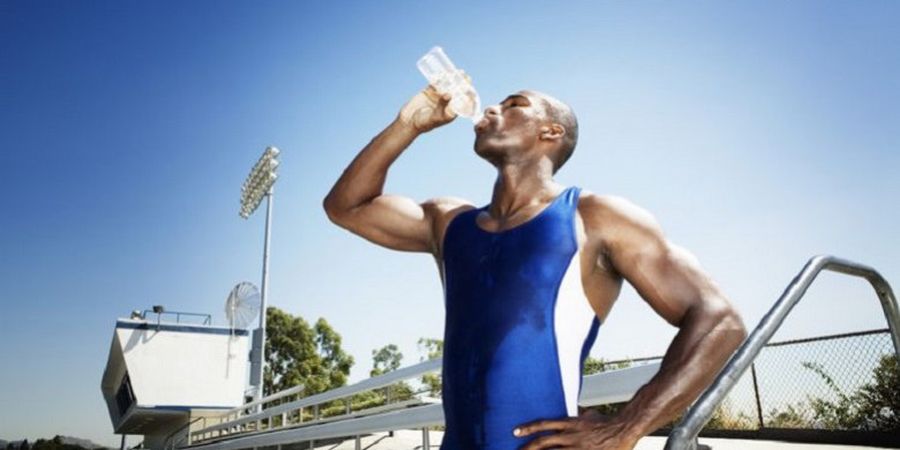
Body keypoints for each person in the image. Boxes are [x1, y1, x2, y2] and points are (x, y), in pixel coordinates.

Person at [323, 84, 747, 450]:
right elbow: (346, 206)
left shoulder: (595, 217)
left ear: (551, 131)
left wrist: (628, 424)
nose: (492, 109)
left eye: (514, 105)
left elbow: (720, 320)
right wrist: (409, 124)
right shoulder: (449, 222)